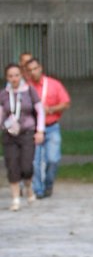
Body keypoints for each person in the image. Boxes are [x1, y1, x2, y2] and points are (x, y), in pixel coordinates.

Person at [1, 63, 44, 210]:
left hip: (27, 132)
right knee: (12, 165)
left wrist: (40, 130)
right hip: (9, 134)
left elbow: (40, 111)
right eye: (10, 76)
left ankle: (28, 185)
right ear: (7, 77)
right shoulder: (4, 94)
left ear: (21, 76)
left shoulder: (29, 91)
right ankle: (15, 198)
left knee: (26, 166)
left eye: (16, 75)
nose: (14, 79)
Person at [28, 58, 71, 198]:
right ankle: (38, 190)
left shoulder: (53, 84)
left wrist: (51, 109)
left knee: (53, 159)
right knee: (34, 161)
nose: (33, 72)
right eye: (29, 70)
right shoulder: (27, 87)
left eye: (35, 69)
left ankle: (48, 183)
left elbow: (65, 103)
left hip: (52, 126)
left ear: (40, 68)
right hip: (33, 128)